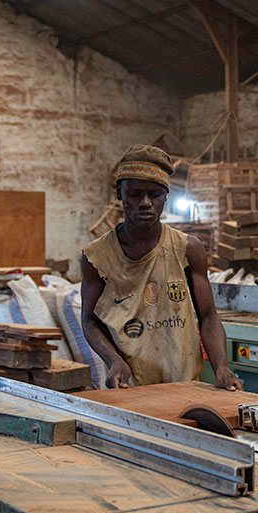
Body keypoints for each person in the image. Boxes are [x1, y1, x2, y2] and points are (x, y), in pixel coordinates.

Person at [81, 145, 242, 391]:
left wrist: (221, 366)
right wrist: (114, 362)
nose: (145, 203)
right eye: (134, 194)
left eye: (154, 194)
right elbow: (90, 321)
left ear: (166, 195)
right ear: (119, 194)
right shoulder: (97, 257)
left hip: (185, 384)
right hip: (128, 387)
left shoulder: (187, 249)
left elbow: (208, 316)